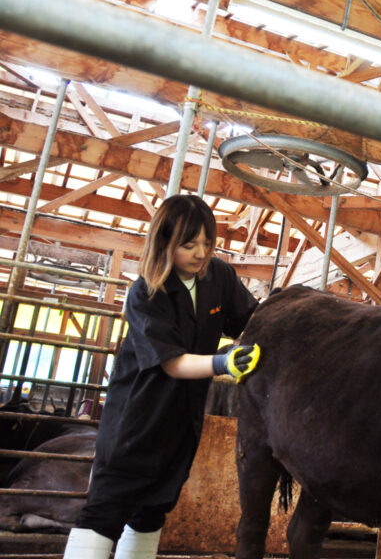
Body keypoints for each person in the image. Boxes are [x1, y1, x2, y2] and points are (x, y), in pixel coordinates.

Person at [63, 195, 262, 559]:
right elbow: (172, 364)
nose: (201, 253)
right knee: (106, 509)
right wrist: (223, 365)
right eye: (189, 244)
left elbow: (251, 320)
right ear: (165, 243)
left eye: (207, 242)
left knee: (155, 508)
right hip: (136, 419)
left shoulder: (219, 278)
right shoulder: (147, 292)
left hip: (182, 418)